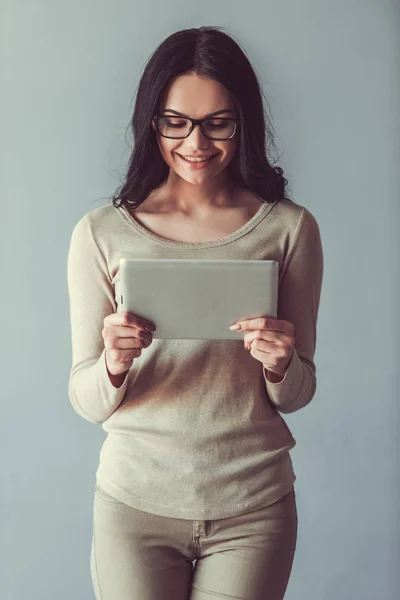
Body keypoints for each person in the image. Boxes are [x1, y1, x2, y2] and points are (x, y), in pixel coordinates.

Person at [67, 25, 323, 600]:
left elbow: (300, 392)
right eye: (175, 122)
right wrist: (110, 364)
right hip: (134, 505)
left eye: (218, 123)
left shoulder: (289, 229)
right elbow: (84, 399)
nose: (196, 143)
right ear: (151, 121)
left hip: (253, 507)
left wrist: (282, 366)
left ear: (244, 121)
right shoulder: (101, 234)